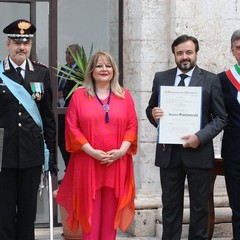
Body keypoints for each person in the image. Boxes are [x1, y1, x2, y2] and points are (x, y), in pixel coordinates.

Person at [146, 34, 227, 239]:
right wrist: (154, 115)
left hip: (198, 153)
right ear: (174, 55)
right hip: (169, 155)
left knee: (200, 208)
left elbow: (220, 117)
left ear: (196, 54)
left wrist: (199, 137)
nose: (184, 57)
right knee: (170, 208)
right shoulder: (161, 77)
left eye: (189, 52)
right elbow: (150, 109)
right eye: (180, 52)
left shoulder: (211, 79)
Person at [56, 50, 138, 240]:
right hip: (88, 163)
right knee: (89, 216)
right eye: (99, 65)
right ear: (91, 70)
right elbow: (72, 128)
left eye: (108, 65)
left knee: (111, 217)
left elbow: (132, 126)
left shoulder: (124, 96)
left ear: (114, 70)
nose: (104, 69)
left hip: (116, 163)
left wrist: (121, 151)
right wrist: (92, 151)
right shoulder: (79, 96)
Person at [0, 19, 56, 240]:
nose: (21, 47)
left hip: (32, 154)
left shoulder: (40, 73)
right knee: (3, 213)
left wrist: (50, 154)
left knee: (27, 212)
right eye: (16, 42)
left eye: (26, 43)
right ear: (8, 44)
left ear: (30, 46)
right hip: (3, 154)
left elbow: (48, 117)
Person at [218, 30, 240, 240]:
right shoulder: (223, 79)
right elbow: (215, 113)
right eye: (239, 47)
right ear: (232, 50)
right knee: (237, 205)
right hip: (235, 151)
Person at [58, 44, 80, 168]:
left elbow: (75, 90)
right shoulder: (64, 69)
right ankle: (68, 167)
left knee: (68, 140)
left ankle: (70, 168)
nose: (67, 56)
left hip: (69, 110)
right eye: (66, 53)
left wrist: (62, 94)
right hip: (59, 109)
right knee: (60, 140)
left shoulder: (80, 71)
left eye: (70, 53)